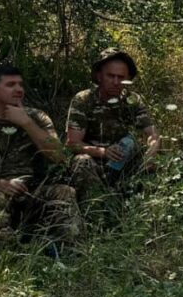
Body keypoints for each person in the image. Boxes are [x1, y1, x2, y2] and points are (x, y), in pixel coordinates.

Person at [0, 65, 82, 247]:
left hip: (33, 190)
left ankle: (71, 251)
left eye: (20, 85)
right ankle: (3, 255)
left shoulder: (37, 117)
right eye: (10, 85)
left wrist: (26, 122)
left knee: (64, 192)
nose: (18, 90)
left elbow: (60, 157)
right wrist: (2, 184)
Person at [66, 48, 160, 202]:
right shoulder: (84, 100)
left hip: (125, 161)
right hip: (94, 163)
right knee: (81, 161)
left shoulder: (133, 100)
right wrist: (103, 152)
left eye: (121, 77)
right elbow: (72, 144)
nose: (116, 82)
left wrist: (150, 155)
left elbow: (152, 134)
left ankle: (133, 204)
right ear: (99, 75)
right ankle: (98, 210)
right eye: (110, 76)